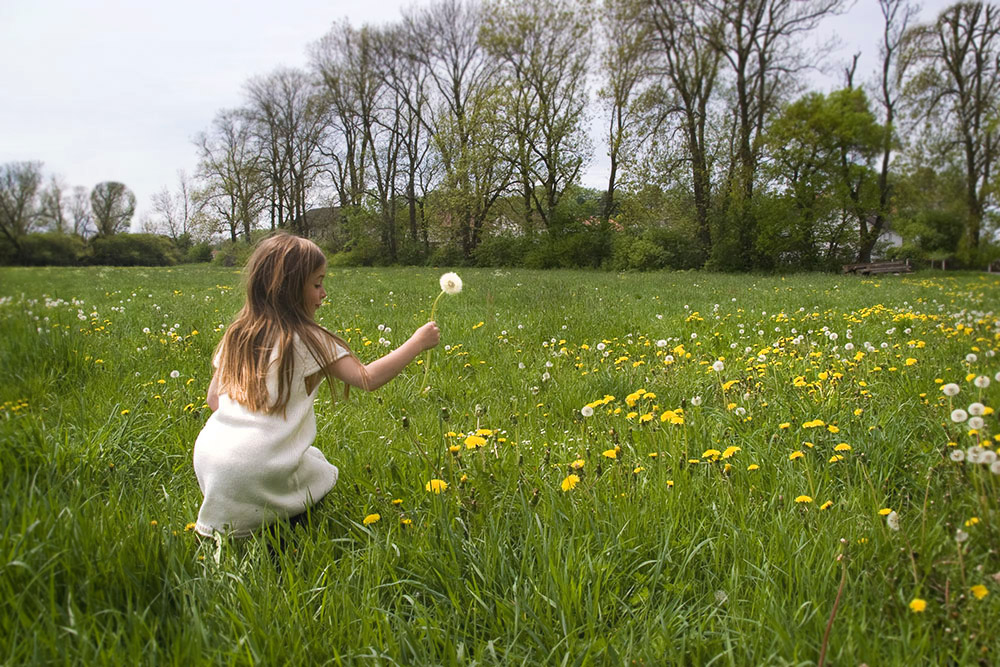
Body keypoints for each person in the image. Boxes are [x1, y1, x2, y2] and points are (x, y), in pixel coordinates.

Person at [192, 232, 439, 538]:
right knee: (322, 473)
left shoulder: (238, 333)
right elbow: (367, 378)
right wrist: (417, 343)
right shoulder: (308, 339)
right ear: (290, 290)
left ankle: (241, 520)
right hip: (256, 469)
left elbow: (214, 400)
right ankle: (285, 531)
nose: (324, 293)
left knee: (310, 458)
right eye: (317, 283)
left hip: (209, 459)